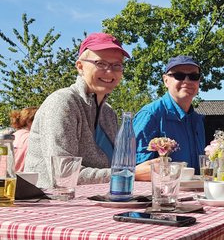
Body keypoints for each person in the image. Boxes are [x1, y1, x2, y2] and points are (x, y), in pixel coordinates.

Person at [24, 32, 130, 188]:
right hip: (51, 205)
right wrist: (124, 173)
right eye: (100, 63)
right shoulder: (62, 102)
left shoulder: (109, 114)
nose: (110, 71)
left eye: (117, 65)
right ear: (80, 66)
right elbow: (63, 175)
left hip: (96, 202)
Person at [133, 56, 205, 181]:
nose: (187, 81)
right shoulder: (150, 115)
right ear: (166, 80)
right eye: (179, 75)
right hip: (161, 196)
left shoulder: (197, 120)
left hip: (194, 196)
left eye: (194, 76)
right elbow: (138, 171)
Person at [9, 107, 38, 171]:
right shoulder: (32, 139)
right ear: (29, 121)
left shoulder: (11, 137)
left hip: (9, 178)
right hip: (25, 178)